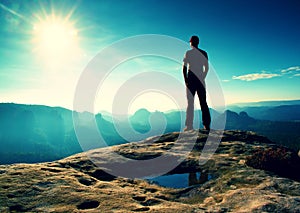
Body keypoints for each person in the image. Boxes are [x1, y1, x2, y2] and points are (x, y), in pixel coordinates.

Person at [183, 35, 211, 131]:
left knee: (190, 103)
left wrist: (186, 80)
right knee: (203, 102)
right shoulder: (204, 53)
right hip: (200, 79)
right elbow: (206, 68)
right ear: (198, 42)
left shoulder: (188, 53)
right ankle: (206, 125)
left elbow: (184, 68)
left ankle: (189, 126)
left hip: (191, 79)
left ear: (191, 43)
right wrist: (202, 77)